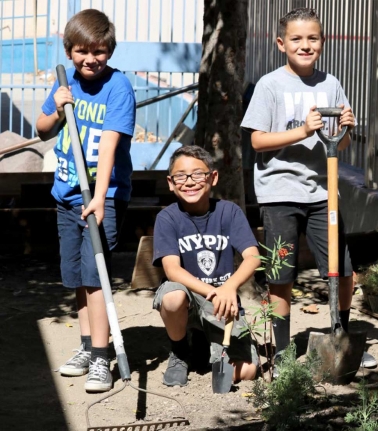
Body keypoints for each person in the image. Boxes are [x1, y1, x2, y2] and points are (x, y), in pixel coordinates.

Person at [240, 7, 377, 376]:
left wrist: (346, 128)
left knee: (342, 269)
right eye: (297, 39)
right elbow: (257, 140)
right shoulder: (269, 85)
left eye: (312, 38)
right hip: (278, 192)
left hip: (322, 191)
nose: (305, 45)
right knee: (281, 274)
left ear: (322, 41)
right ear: (281, 43)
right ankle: (283, 351)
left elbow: (340, 145)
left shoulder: (330, 83)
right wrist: (302, 131)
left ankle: (342, 335)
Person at [36, 9, 136, 392]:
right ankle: (84, 347)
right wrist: (59, 108)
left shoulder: (117, 86)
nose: (91, 58)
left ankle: (100, 357)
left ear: (109, 50)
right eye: (82, 51)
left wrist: (98, 197)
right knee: (78, 277)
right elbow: (43, 130)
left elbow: (110, 145)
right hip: (65, 195)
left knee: (96, 279)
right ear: (69, 51)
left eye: (99, 51)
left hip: (103, 196)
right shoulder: (66, 85)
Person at [152, 145, 260, 387]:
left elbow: (253, 257)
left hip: (222, 304)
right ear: (171, 182)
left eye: (198, 174)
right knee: (173, 296)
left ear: (213, 177)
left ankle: (204, 345)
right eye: (181, 176)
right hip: (189, 297)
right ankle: (179, 353)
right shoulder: (167, 218)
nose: (189, 182)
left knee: (250, 370)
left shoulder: (229, 212)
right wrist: (213, 291)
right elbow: (172, 270)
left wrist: (229, 287)